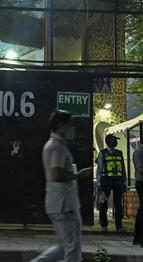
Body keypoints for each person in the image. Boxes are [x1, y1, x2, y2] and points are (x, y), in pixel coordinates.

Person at [32, 109, 92, 262]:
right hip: (65, 206)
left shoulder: (52, 145)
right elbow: (56, 175)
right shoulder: (56, 147)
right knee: (73, 251)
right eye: (70, 124)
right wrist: (78, 175)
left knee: (62, 248)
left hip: (59, 204)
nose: (73, 128)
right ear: (61, 125)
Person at [96, 134, 127, 232]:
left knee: (118, 204)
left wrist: (124, 181)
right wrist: (99, 182)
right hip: (106, 180)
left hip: (118, 180)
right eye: (114, 140)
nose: (115, 142)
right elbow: (99, 169)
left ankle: (119, 226)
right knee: (103, 203)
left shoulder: (119, 153)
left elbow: (123, 168)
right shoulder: (102, 153)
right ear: (108, 141)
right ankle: (104, 226)